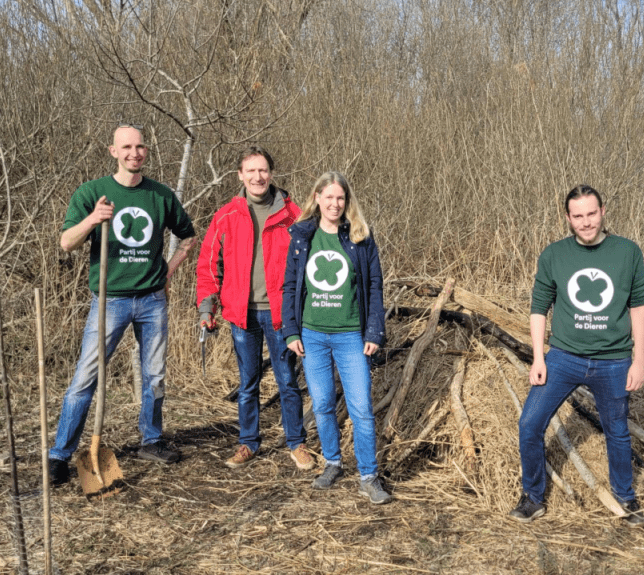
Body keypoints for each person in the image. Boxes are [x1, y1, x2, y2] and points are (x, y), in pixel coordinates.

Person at [48, 124, 196, 484]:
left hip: (151, 300)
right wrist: (93, 220)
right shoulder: (93, 193)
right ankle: (59, 455)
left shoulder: (160, 196)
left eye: (140, 146)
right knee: (85, 377)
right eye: (126, 147)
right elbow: (66, 242)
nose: (135, 153)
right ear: (113, 151)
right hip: (108, 301)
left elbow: (189, 237)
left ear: (147, 151)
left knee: (155, 376)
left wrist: (167, 273)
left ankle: (152, 439)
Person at [512, 184, 644, 525]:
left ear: (603, 212)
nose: (586, 223)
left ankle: (625, 498)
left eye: (591, 214)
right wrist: (539, 358)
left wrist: (639, 360)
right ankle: (532, 497)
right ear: (568, 218)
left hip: (614, 360)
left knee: (616, 430)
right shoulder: (555, 254)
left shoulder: (627, 252)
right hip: (563, 357)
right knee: (529, 423)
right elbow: (539, 308)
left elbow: (639, 307)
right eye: (578, 216)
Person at [196, 147, 313, 471]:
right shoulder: (227, 216)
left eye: (263, 171)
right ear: (240, 175)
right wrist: (207, 307)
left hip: (280, 315)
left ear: (271, 174)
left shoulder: (293, 214)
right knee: (248, 383)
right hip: (241, 314)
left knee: (287, 380)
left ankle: (297, 444)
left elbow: (309, 263)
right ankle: (248, 443)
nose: (258, 177)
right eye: (251, 171)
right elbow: (208, 265)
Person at [281, 172, 390, 504]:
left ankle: (369, 476)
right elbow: (289, 286)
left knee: (361, 408)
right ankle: (332, 463)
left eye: (340, 198)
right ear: (316, 198)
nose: (334, 204)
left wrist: (374, 331)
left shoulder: (360, 237)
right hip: (312, 335)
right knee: (324, 403)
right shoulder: (302, 236)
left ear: (347, 201)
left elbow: (374, 287)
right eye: (328, 197)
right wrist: (290, 330)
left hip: (350, 337)